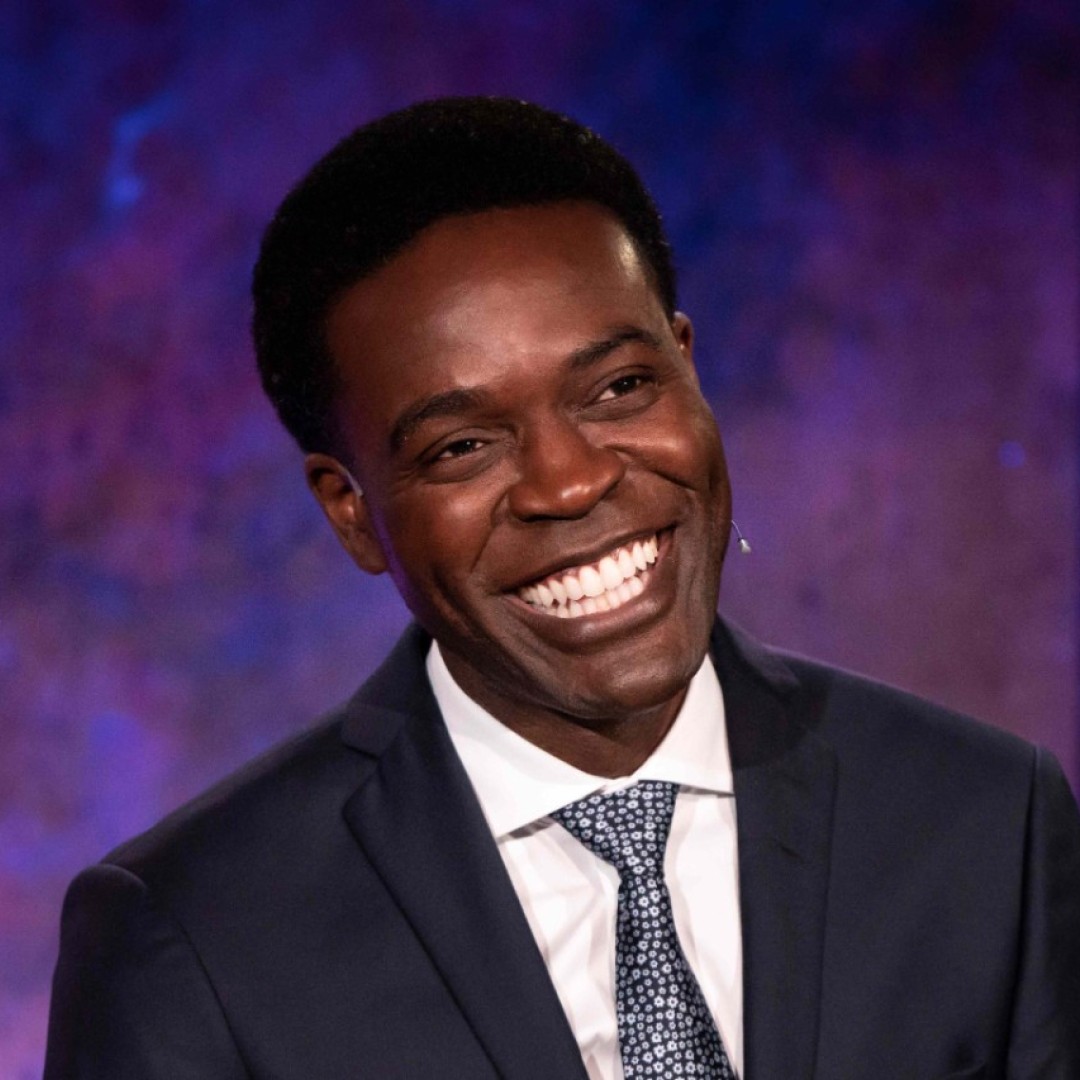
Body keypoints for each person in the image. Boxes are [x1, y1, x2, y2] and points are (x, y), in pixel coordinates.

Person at [45, 97, 1080, 1079]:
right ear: (351, 510)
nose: (571, 481)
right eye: (462, 445)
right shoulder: (190, 935)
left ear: (686, 367)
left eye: (620, 387)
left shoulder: (989, 822)